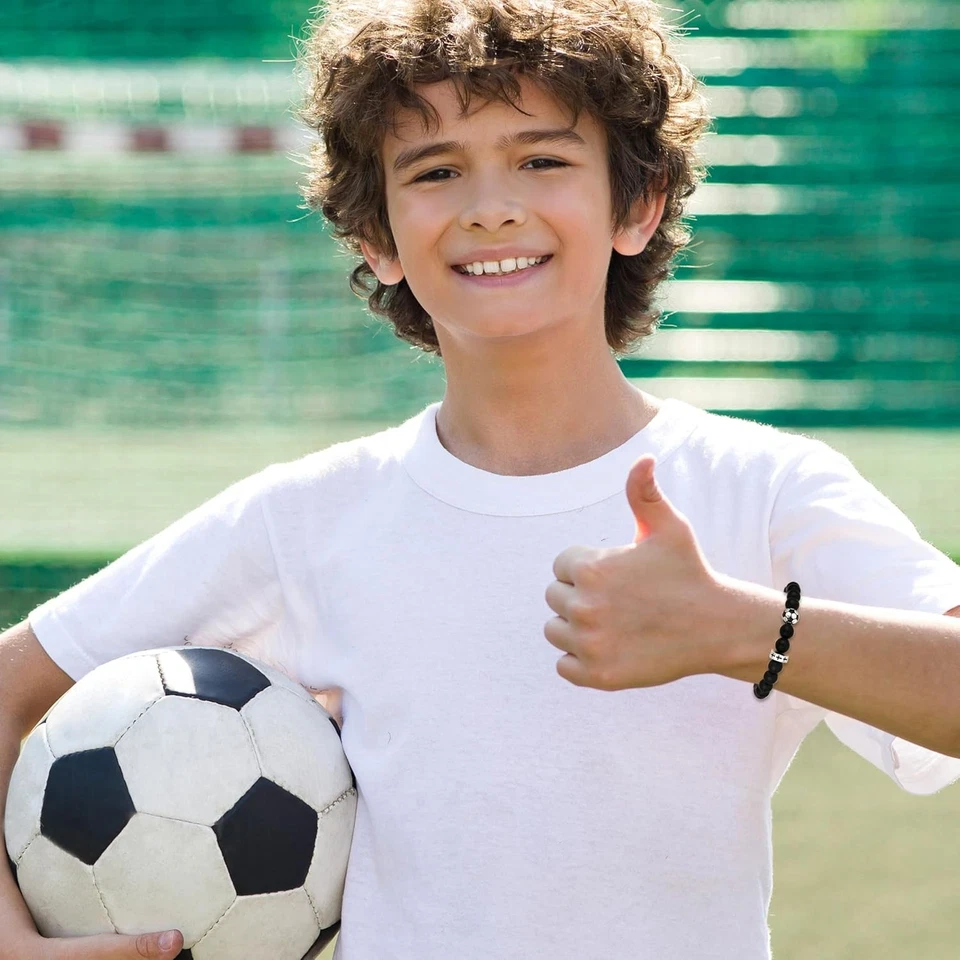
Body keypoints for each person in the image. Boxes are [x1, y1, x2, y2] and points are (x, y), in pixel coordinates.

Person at [2, 1, 960, 958]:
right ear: (376, 235)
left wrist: (747, 631)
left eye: (542, 160)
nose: (490, 206)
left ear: (637, 204)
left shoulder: (759, 488)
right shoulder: (309, 519)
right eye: (435, 171)